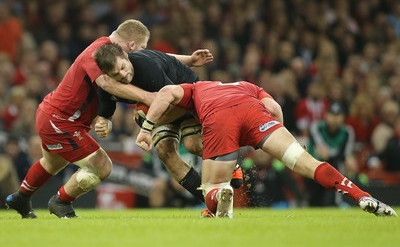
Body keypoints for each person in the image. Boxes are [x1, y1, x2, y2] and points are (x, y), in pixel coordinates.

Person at [4, 19, 209, 219]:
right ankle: (61, 201)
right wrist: (149, 97)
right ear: (130, 46)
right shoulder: (96, 53)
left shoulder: (114, 55)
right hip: (61, 120)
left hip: (58, 116)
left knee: (51, 163)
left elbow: (154, 56)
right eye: (141, 47)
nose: (142, 52)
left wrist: (188, 60)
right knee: (102, 166)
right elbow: (106, 84)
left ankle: (21, 197)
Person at [135, 80, 397, 218]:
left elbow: (167, 93)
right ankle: (360, 195)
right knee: (304, 161)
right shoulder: (248, 85)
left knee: (211, 190)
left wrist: (146, 128)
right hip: (255, 113)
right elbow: (274, 109)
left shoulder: (195, 89)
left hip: (219, 117)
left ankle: (221, 195)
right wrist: (281, 137)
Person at [93, 43, 243, 208]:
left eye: (122, 67)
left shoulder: (147, 68)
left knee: (192, 145)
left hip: (188, 97)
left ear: (125, 56)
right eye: (116, 74)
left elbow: (172, 102)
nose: (124, 75)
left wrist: (147, 125)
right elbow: (105, 115)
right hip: (158, 107)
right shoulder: (107, 86)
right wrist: (103, 124)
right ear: (107, 76)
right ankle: (212, 202)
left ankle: (231, 164)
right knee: (165, 152)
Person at [306, 102, 356, 207]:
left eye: (338, 115)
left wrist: (347, 159)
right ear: (326, 115)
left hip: (334, 165)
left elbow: (346, 156)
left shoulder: (348, 132)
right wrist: (338, 154)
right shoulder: (316, 127)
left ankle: (338, 202)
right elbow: (323, 153)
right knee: (314, 200)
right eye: (332, 115)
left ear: (343, 117)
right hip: (314, 164)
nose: (335, 119)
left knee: (344, 165)